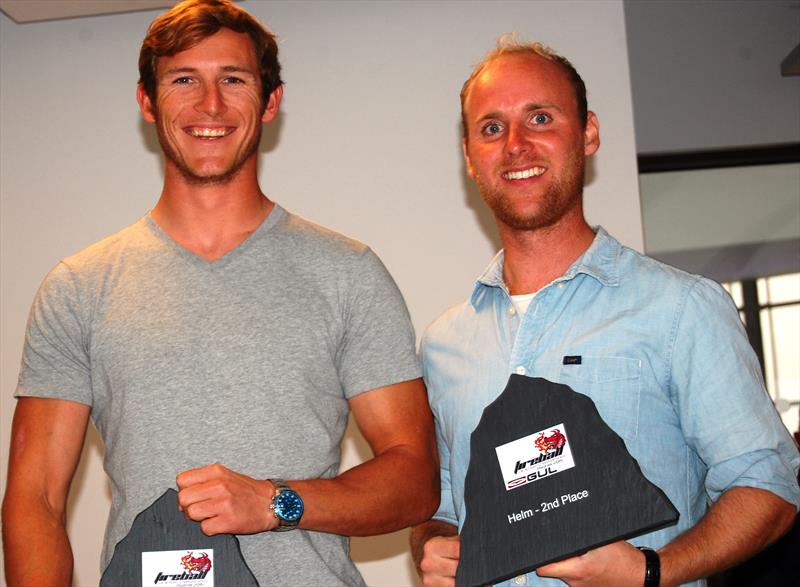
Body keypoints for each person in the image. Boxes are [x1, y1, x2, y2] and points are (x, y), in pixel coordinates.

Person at [2, 1, 438, 585]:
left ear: (271, 102)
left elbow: (414, 479)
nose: (210, 105)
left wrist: (276, 502)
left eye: (233, 79)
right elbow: (36, 499)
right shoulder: (78, 288)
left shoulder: (348, 273)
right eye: (184, 80)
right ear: (147, 101)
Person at [411, 38, 799, 587]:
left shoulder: (682, 310)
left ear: (588, 132)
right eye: (492, 128)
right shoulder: (444, 344)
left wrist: (652, 570)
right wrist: (432, 544)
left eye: (540, 118)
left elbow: (769, 486)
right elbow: (443, 502)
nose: (515, 145)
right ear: (471, 156)